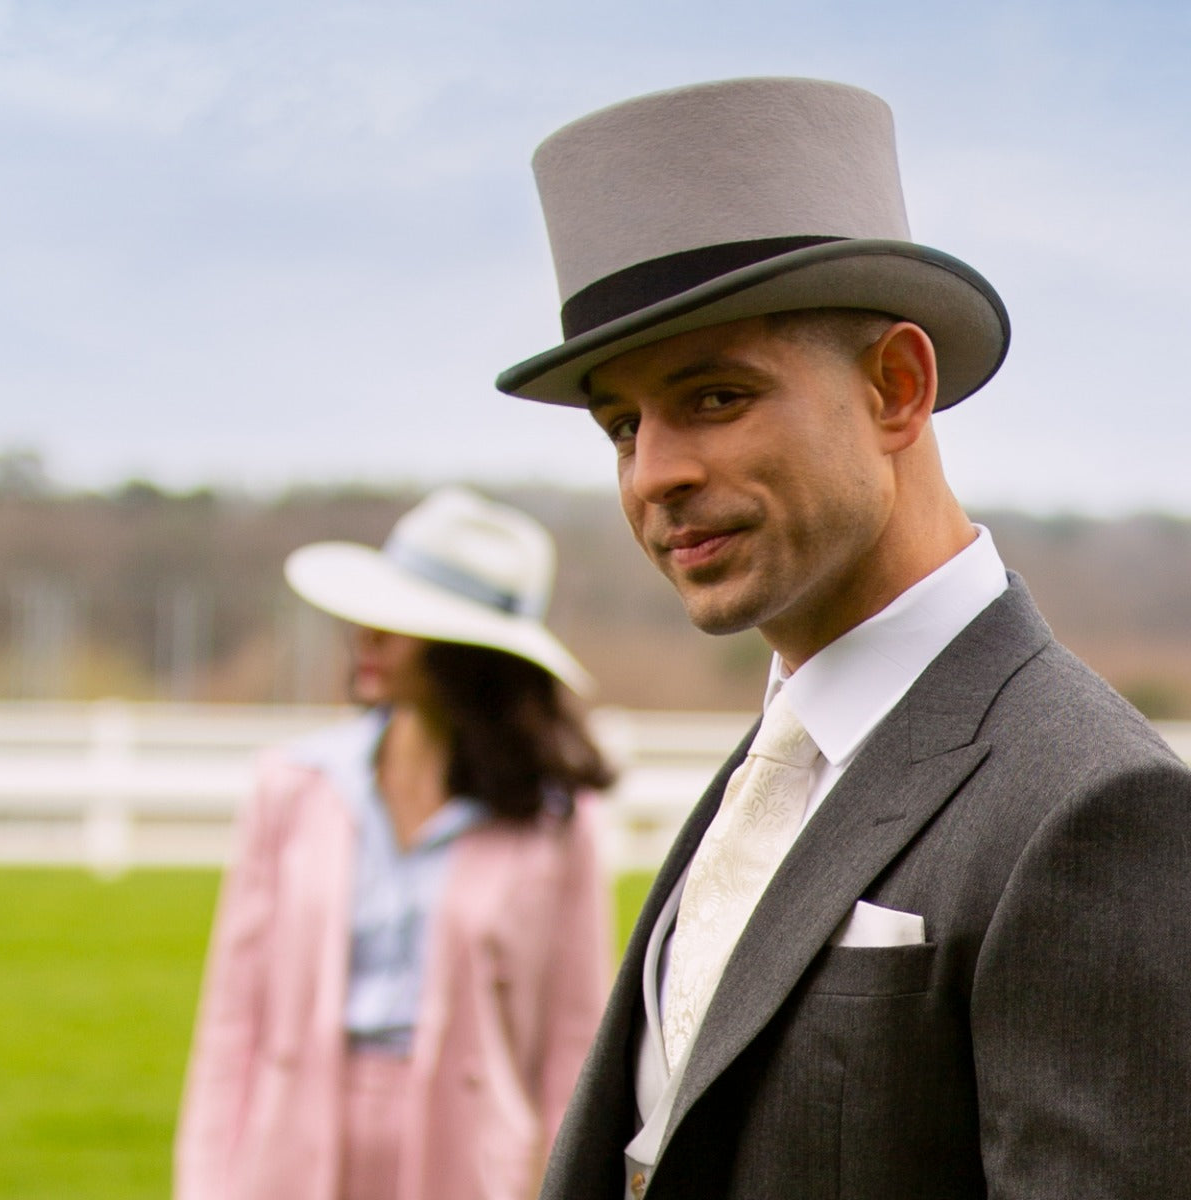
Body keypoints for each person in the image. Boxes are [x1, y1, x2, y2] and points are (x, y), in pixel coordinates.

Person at [494, 78, 1191, 1199]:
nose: (655, 473)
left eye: (715, 397)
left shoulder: (1096, 808)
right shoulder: (780, 761)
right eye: (622, 424)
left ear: (896, 388)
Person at [175, 486, 615, 1200]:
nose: (366, 636)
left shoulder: (558, 823)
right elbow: (232, 1025)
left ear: (470, 651)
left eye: (401, 620)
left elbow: (572, 1048)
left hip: (471, 1168)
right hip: (287, 1157)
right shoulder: (292, 789)